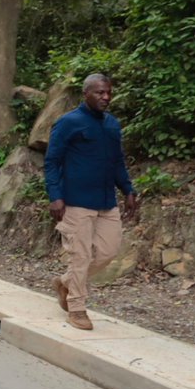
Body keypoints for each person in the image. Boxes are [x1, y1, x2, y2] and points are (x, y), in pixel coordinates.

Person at [45, 73, 139, 330]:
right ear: (85, 93)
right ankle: (76, 308)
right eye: (100, 92)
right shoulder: (68, 123)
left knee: (108, 252)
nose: (106, 97)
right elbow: (52, 162)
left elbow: (117, 161)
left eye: (108, 92)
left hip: (106, 201)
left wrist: (128, 190)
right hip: (76, 201)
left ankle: (65, 282)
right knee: (81, 256)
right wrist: (56, 196)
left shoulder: (112, 125)